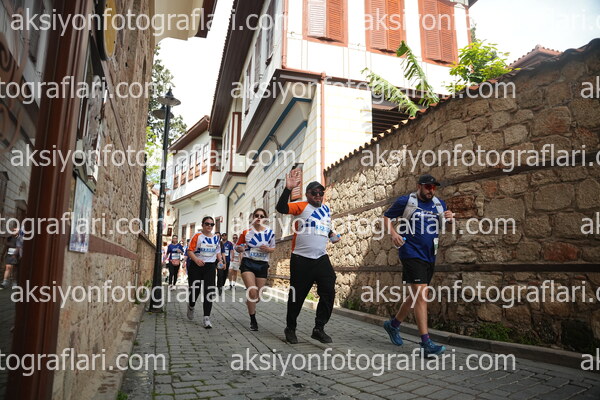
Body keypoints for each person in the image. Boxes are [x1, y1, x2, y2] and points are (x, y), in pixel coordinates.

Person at [382, 174, 454, 356]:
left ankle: (393, 325)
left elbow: (448, 228)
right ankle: (426, 343)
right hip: (411, 253)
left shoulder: (439, 204)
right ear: (419, 186)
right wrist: (393, 234)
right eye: (428, 187)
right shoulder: (407, 201)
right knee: (422, 295)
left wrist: (451, 220)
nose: (431, 190)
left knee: (416, 295)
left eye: (433, 187)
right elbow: (386, 217)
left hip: (429, 256)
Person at [275, 170, 340, 344]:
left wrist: (332, 234)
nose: (318, 195)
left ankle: (319, 328)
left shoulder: (326, 209)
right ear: (307, 194)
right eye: (314, 193)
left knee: (328, 290)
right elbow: (281, 208)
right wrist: (288, 189)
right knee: (297, 295)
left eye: (321, 193)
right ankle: (290, 328)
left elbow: (324, 226)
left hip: (321, 257)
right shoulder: (301, 206)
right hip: (301, 258)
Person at [235, 208, 275, 331]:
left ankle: (250, 302)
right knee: (252, 292)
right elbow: (237, 246)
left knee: (257, 297)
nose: (259, 218)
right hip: (248, 263)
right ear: (253, 217)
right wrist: (240, 249)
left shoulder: (270, 233)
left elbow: (273, 248)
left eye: (262, 216)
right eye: (256, 215)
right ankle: (253, 320)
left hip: (262, 264)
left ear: (265, 219)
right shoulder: (246, 232)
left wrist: (268, 249)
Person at [186, 216, 224, 328]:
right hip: (196, 266)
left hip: (210, 266)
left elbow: (218, 251)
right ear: (202, 225)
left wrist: (220, 260)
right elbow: (190, 251)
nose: (209, 226)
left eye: (212, 224)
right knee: (195, 290)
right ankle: (191, 306)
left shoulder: (216, 238)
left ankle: (206, 317)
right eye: (207, 224)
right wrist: (196, 260)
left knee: (209, 291)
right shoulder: (197, 236)